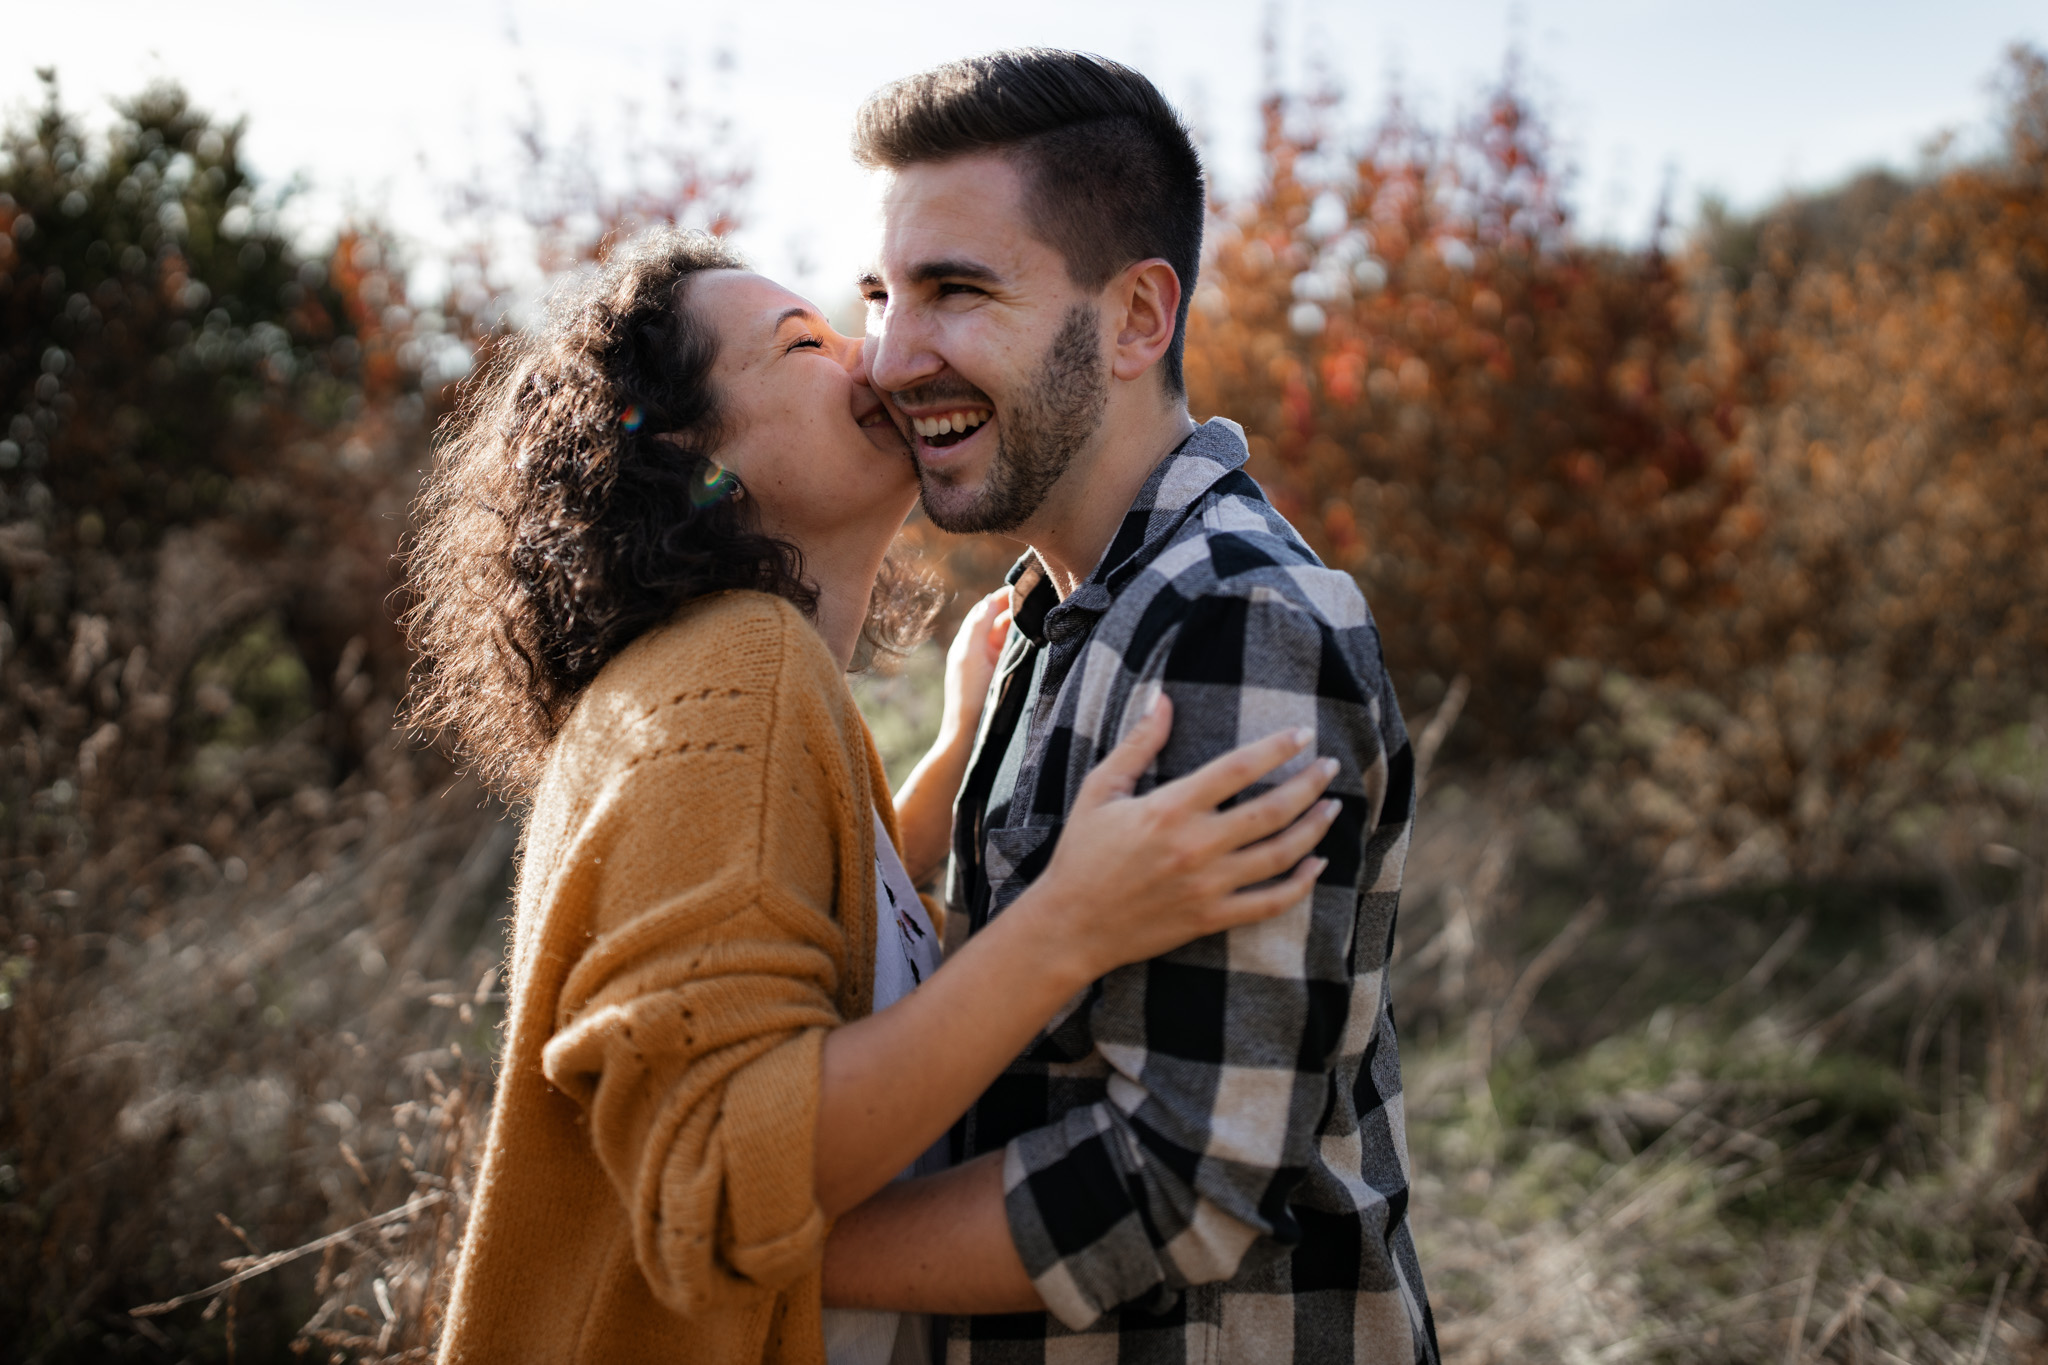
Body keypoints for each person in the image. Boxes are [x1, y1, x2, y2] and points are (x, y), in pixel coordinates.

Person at [403, 228, 1345, 1365]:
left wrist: (942, 778)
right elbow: (719, 1177)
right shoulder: (736, 679)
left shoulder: (763, 686)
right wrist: (1068, 924)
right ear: (690, 455)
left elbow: (775, 948)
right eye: (804, 341)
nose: (877, 359)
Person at [824, 49, 1439, 1363]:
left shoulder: (1235, 623)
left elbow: (1185, 1188)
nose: (885, 358)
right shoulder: (1057, 615)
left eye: (955, 291)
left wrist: (759, 1253)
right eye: (882, 294)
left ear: (1135, 321)